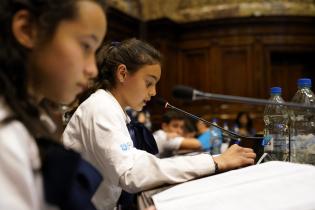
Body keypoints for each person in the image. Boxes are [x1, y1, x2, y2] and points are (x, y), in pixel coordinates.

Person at [62, 38, 256, 210]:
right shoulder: (101, 107)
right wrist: (214, 162)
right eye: (149, 83)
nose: (154, 92)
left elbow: (132, 165)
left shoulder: (112, 109)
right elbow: (131, 173)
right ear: (122, 74)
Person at [0, 0, 107, 209]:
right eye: (86, 46)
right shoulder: (6, 138)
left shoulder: (37, 117)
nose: (93, 69)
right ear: (28, 30)